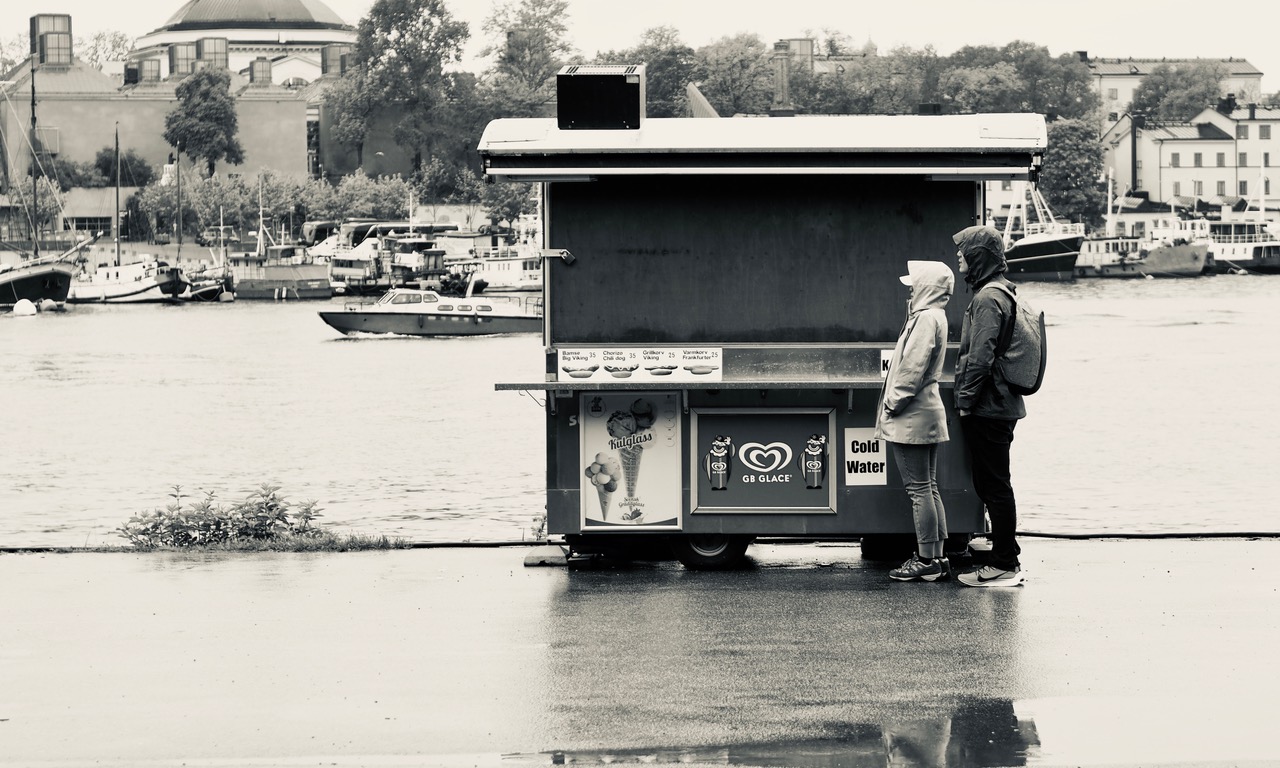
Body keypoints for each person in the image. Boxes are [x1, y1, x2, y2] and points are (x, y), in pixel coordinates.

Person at [951, 225, 1026, 587]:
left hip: (988, 406)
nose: (959, 259)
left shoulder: (986, 299)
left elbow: (979, 358)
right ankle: (1005, 552)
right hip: (1002, 402)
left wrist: (964, 401)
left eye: (964, 253)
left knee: (993, 484)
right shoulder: (1001, 292)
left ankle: (1004, 564)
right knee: (995, 482)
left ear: (979, 257)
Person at [875, 260, 955, 582]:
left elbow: (911, 368)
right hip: (928, 412)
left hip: (912, 415)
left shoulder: (924, 319)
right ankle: (937, 558)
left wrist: (892, 404)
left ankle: (924, 561)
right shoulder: (936, 315)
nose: (909, 289)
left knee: (918, 489)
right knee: (929, 487)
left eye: (913, 285)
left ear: (926, 287)